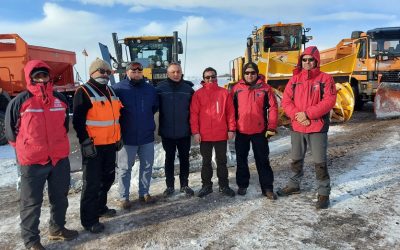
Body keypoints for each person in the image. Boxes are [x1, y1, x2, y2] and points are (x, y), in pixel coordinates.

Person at [5, 60, 78, 250]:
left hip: (58, 158)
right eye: (37, 76)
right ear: (30, 78)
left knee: (60, 197)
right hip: (32, 161)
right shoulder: (20, 101)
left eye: (44, 75)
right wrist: (26, 149)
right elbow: (11, 132)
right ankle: (31, 241)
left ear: (49, 77)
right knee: (31, 203)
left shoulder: (60, 99)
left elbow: (64, 126)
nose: (41, 79)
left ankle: (57, 229)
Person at [277, 46, 337, 209]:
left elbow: (328, 101)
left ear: (316, 61)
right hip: (297, 126)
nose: (307, 62)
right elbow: (286, 101)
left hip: (316, 126)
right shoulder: (294, 80)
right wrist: (298, 115)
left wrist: (308, 115)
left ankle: (323, 193)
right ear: (301, 61)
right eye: (304, 59)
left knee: (320, 162)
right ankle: (294, 184)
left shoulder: (325, 79)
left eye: (311, 59)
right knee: (296, 159)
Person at [73, 58, 123, 233]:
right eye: (101, 71)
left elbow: (116, 117)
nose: (105, 74)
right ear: (92, 73)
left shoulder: (110, 90)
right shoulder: (83, 91)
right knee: (92, 183)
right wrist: (85, 142)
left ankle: (100, 207)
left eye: (107, 72)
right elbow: (78, 121)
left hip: (110, 144)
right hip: (93, 147)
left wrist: (118, 136)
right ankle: (89, 220)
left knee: (108, 178)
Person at [113, 62, 159, 209]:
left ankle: (144, 193)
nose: (137, 73)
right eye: (133, 71)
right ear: (127, 72)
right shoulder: (118, 89)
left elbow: (153, 108)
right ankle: (124, 197)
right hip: (127, 137)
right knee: (125, 168)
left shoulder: (150, 90)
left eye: (139, 71)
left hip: (146, 135)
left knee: (147, 166)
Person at [231, 62, 278, 200]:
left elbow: (273, 108)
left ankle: (267, 188)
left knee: (262, 160)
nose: (250, 75)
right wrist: (232, 128)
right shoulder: (236, 89)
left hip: (260, 131)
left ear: (257, 73)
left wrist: (271, 127)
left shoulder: (265, 88)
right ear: (243, 74)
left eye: (252, 73)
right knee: (241, 160)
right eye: (247, 73)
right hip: (242, 131)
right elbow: (231, 111)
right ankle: (242, 184)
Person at [190, 67, 236, 198]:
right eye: (207, 77)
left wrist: (231, 129)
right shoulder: (198, 94)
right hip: (204, 135)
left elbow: (230, 113)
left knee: (221, 161)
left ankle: (224, 185)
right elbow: (194, 114)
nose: (210, 79)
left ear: (216, 77)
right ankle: (206, 186)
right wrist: (196, 132)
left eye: (213, 76)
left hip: (221, 133)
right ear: (203, 79)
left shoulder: (224, 93)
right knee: (206, 161)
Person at [157, 62, 195, 197]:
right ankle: (170, 186)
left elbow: (195, 110)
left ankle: (184, 185)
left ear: (181, 72)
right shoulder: (160, 89)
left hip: (184, 131)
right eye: (173, 72)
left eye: (178, 71)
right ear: (167, 73)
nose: (176, 74)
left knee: (185, 159)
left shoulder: (188, 89)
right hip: (167, 132)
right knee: (169, 159)